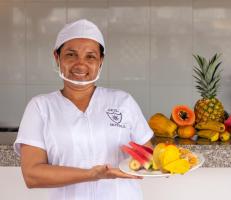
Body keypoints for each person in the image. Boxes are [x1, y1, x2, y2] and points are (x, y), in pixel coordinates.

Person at [14, 19, 154, 200]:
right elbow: (32, 175)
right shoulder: (40, 107)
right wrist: (92, 174)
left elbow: (148, 158)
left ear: (101, 61)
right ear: (57, 57)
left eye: (90, 56)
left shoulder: (123, 101)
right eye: (71, 55)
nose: (80, 64)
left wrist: (168, 162)